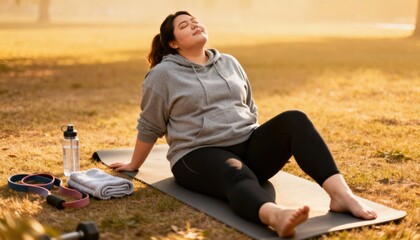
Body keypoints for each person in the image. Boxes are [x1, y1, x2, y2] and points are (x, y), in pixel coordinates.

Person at [109, 11, 377, 238]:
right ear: (173, 43)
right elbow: (150, 124)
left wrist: (260, 142)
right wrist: (134, 165)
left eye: (195, 21)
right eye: (184, 25)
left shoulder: (229, 62)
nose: (194, 25)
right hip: (198, 154)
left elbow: (249, 105)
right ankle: (275, 216)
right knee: (237, 174)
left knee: (295, 119)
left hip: (246, 143)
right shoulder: (162, 75)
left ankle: (341, 195)